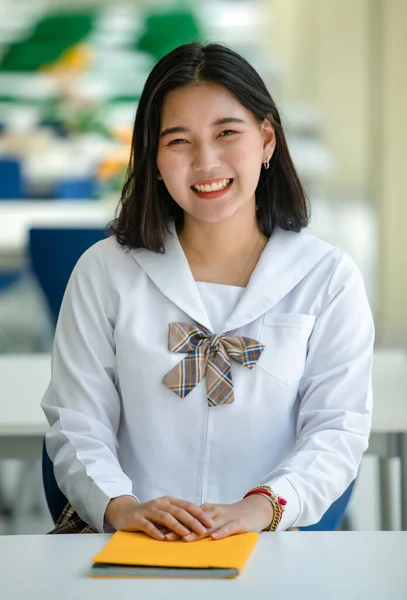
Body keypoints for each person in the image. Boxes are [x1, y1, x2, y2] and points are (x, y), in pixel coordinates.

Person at [41, 42, 374, 539]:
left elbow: (336, 432)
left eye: (226, 133)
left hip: (268, 550)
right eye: (178, 141)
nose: (206, 161)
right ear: (152, 158)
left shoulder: (326, 278)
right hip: (132, 547)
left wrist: (258, 510)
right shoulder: (104, 272)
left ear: (267, 140)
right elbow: (77, 424)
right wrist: (123, 507)